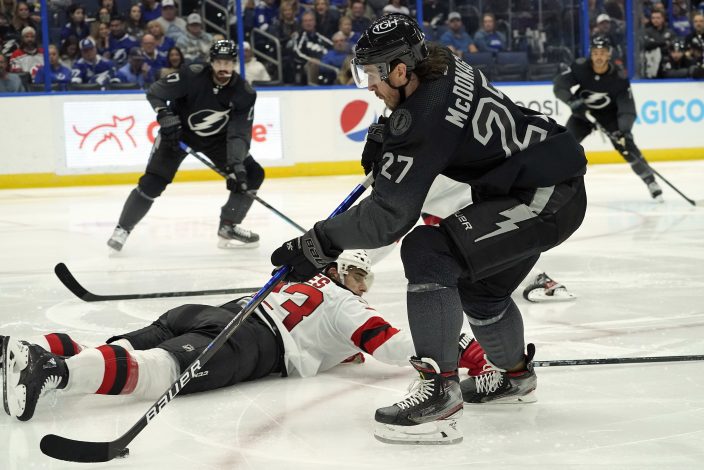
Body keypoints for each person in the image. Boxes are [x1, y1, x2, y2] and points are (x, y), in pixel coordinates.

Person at [270, 14, 587, 444]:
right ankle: (515, 377)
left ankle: (440, 395)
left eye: (373, 75)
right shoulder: (442, 61)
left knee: (427, 250)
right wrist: (388, 136)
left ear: (401, 70)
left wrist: (318, 243)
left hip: (544, 195)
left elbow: (390, 218)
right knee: (483, 290)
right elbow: (432, 128)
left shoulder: (425, 117)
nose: (369, 86)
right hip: (537, 178)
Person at [1, 250, 490, 422]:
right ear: (354, 279)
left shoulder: (300, 277)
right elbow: (393, 345)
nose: (361, 285)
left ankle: (34, 349)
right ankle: (55, 372)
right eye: (360, 279)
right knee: (161, 372)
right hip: (249, 341)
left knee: (120, 345)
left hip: (206, 313)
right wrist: (460, 347)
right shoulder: (350, 304)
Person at [107, 40, 264, 252]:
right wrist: (165, 115)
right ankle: (122, 229)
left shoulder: (244, 92)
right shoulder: (192, 75)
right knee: (153, 182)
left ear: (235, 64)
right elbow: (155, 92)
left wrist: (237, 167)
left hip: (217, 140)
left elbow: (239, 133)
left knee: (251, 174)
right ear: (211, 62)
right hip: (178, 134)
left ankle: (228, 225)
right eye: (218, 62)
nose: (223, 68)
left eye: (228, 63)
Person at [554, 35, 663, 202]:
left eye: (602, 53)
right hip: (583, 114)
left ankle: (650, 181)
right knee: (565, 144)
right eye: (595, 53)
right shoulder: (580, 68)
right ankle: (552, 183)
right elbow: (560, 86)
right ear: (591, 54)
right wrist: (572, 101)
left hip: (610, 117)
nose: (599, 56)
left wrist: (624, 132)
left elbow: (627, 109)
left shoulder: (619, 78)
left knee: (627, 147)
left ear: (609, 55)